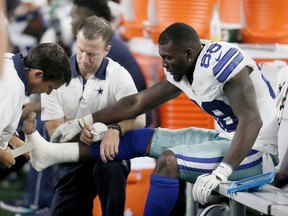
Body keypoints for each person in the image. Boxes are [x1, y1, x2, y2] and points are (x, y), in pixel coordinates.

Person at [24, 22, 278, 215]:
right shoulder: (189, 64)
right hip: (228, 139)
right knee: (136, 138)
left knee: (168, 162)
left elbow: (251, 120)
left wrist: (223, 171)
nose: (164, 64)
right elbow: (138, 102)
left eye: (168, 58)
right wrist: (82, 121)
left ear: (188, 53)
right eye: (162, 57)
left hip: (256, 153)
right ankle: (51, 154)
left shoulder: (222, 65)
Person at [40, 15, 145, 216]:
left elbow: (140, 119)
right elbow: (54, 128)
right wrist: (80, 135)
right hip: (71, 155)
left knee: (113, 170)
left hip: (108, 156)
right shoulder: (54, 75)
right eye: (80, 50)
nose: (84, 59)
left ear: (106, 50)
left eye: (92, 54)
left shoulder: (119, 76)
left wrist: (116, 129)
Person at [70, 0, 151, 126]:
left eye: (74, 16)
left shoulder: (101, 49)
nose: (71, 22)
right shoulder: (92, 44)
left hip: (129, 120)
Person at [0, 42, 71, 169]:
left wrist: (14, 141)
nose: (48, 92)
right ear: (37, 74)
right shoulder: (12, 88)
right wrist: (3, 156)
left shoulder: (9, 61)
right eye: (50, 87)